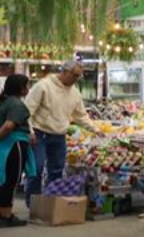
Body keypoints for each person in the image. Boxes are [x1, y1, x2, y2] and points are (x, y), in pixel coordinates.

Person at [25, 61, 96, 205]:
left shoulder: (75, 93)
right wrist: (30, 130)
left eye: (79, 76)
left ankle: (52, 204)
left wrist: (95, 129)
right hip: (39, 134)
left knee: (57, 170)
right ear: (64, 72)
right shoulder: (43, 86)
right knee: (36, 169)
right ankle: (33, 204)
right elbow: (27, 110)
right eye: (74, 75)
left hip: (59, 135)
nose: (76, 79)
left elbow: (81, 115)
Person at [0, 75, 35, 227]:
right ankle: (6, 215)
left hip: (5, 146)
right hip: (14, 144)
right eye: (27, 85)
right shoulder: (17, 104)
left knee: (4, 178)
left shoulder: (5, 101)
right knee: (12, 180)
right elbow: (8, 126)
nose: (28, 89)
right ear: (21, 88)